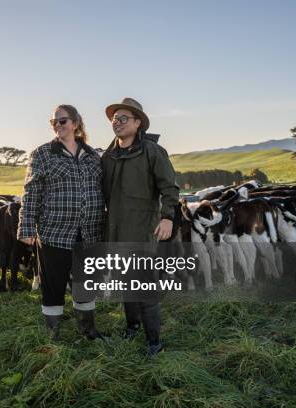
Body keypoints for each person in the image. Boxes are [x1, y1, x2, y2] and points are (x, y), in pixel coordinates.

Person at [17, 104, 106, 341]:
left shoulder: (92, 156)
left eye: (62, 121)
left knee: (85, 285)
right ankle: (53, 335)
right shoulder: (43, 154)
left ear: (76, 123)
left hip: (89, 232)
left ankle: (88, 331)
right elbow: (31, 192)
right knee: (53, 286)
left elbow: (103, 189)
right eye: (53, 122)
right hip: (54, 232)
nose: (57, 125)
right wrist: (26, 227)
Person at [101, 97, 179, 355]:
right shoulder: (109, 155)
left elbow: (169, 187)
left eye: (123, 118)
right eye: (115, 119)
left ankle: (154, 340)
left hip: (142, 227)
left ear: (137, 123)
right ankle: (132, 326)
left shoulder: (152, 151)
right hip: (116, 229)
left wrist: (168, 217)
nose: (117, 123)